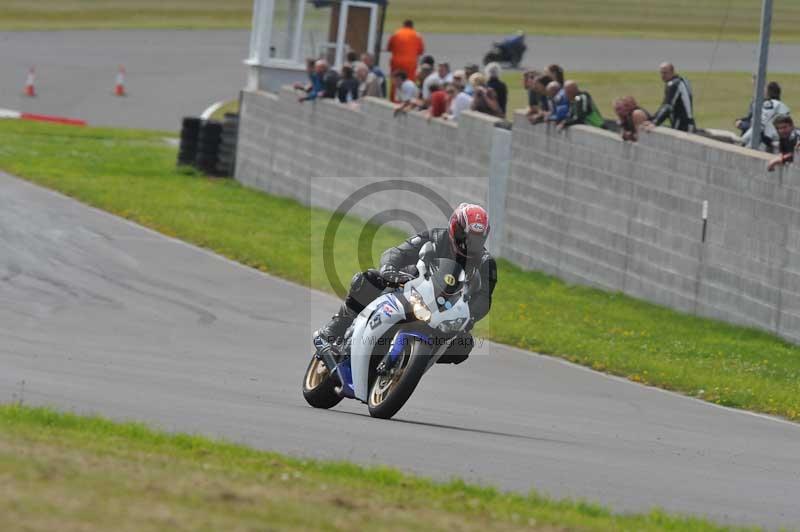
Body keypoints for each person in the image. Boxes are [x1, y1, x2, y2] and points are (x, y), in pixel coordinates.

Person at [313, 203, 497, 383]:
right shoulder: (435, 237)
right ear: (454, 228)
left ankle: (415, 363)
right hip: (410, 286)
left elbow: (484, 298)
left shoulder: (485, 263)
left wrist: (469, 317)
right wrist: (389, 269)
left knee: (463, 345)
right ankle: (334, 329)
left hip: (445, 309)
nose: (468, 244)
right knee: (368, 279)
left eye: (476, 240)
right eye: (464, 236)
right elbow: (398, 252)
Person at [741, 81, 791, 152]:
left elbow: (759, 125)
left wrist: (743, 139)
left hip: (767, 140)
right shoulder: (784, 106)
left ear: (768, 92)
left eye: (765, 90)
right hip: (781, 140)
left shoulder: (769, 104)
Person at [387, 19, 425, 100]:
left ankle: (393, 100)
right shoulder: (417, 35)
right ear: (412, 26)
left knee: (395, 81)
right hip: (410, 63)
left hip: (396, 62)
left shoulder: (396, 33)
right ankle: (409, 100)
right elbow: (421, 51)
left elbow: (389, 48)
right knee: (410, 81)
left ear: (403, 25)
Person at [653, 62, 695, 132]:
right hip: (689, 123)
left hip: (682, 125)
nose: (662, 75)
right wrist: (653, 118)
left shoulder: (673, 84)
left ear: (672, 72)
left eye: (665, 73)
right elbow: (665, 104)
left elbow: (668, 106)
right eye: (661, 73)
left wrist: (654, 122)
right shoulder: (682, 80)